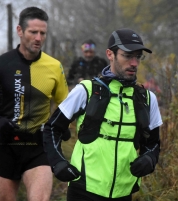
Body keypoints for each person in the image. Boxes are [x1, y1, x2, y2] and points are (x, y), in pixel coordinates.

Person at [43, 28, 163, 200]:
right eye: (127, 56)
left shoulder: (147, 98)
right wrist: (58, 163)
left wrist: (149, 159)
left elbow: (153, 143)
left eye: (138, 56)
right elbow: (51, 128)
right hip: (83, 190)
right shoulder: (86, 91)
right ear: (110, 54)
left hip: (124, 192)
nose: (134, 63)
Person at [0, 7, 69, 201]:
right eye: (33, 32)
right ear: (20, 31)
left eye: (43, 33)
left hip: (39, 145)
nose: (38, 38)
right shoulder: (0, 65)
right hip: (6, 145)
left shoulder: (54, 66)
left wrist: (61, 125)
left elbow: (66, 103)